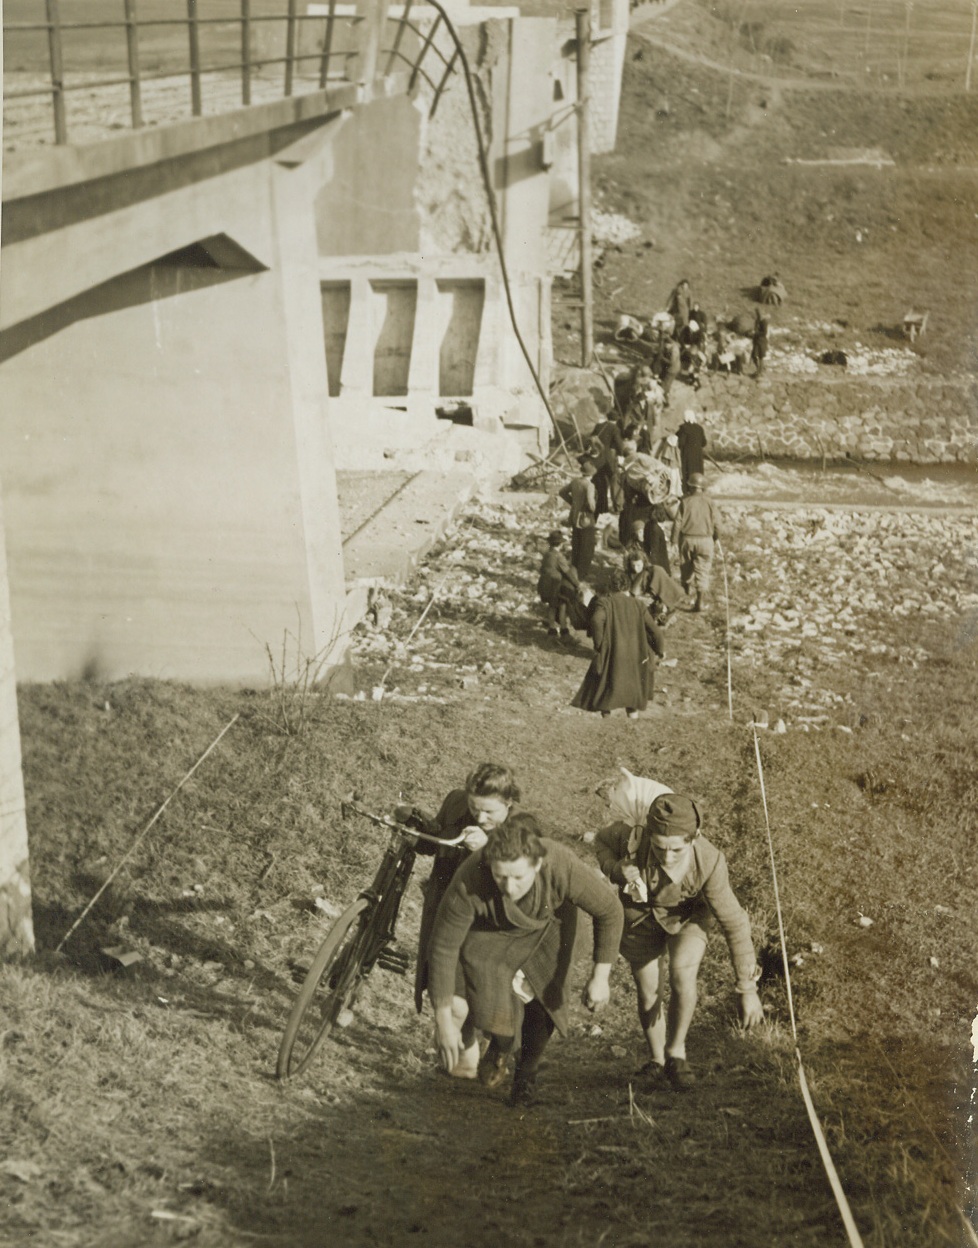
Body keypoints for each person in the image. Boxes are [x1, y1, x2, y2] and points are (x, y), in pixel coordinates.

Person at [428, 812, 624, 1107]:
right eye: (500, 876)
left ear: (537, 864)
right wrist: (444, 1022)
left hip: (552, 923)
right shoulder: (471, 876)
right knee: (488, 986)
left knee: (544, 996)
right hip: (497, 931)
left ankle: (526, 1076)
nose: (509, 886)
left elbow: (609, 910)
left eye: (518, 877)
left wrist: (600, 977)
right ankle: (502, 1042)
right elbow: (443, 947)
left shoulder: (559, 863)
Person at [594, 789, 763, 1090]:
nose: (667, 857)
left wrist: (747, 988)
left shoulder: (710, 861)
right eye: (660, 849)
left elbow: (735, 923)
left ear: (693, 837)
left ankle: (677, 1053)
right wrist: (615, 870)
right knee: (648, 991)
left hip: (688, 917)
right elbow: (601, 842)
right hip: (641, 916)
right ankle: (657, 1060)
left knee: (682, 975)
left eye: (676, 850)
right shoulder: (631, 838)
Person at [404, 763, 521, 1051]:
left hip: (485, 924)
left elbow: (519, 881)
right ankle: (452, 1055)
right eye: (474, 807)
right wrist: (417, 829)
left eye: (489, 812)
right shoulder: (456, 801)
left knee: (471, 994)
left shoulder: (521, 827)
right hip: (445, 911)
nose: (480, 817)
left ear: (508, 803)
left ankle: (475, 1047)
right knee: (444, 988)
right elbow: (435, 843)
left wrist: (489, 848)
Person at [571, 569, 664, 719]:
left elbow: (596, 620)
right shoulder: (638, 604)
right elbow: (655, 630)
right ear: (627, 586)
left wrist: (600, 644)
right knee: (633, 690)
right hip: (635, 655)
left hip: (614, 653)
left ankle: (607, 720)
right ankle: (632, 721)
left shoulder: (605, 602)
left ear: (610, 587)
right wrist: (660, 649)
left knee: (605, 688)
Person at [672, 472, 719, 612]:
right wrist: (715, 538)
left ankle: (686, 596)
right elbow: (717, 524)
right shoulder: (710, 502)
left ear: (690, 487)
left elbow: (677, 523)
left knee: (685, 568)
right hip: (705, 540)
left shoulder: (685, 502)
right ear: (703, 488)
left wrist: (673, 540)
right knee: (702, 571)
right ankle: (700, 601)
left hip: (687, 539)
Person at [558, 459, 598, 580]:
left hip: (575, 517)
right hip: (586, 520)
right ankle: (582, 574)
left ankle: (574, 571)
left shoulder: (575, 482)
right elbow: (591, 505)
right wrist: (592, 509)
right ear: (592, 474)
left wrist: (574, 504)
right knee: (587, 547)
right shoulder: (589, 485)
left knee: (576, 544)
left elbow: (562, 492)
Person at [537, 530, 579, 637]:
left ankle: (552, 628)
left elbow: (542, 569)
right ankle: (564, 629)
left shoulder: (547, 554)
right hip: (555, 585)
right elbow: (567, 572)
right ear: (560, 544)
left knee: (551, 606)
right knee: (562, 605)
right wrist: (576, 584)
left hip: (544, 585)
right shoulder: (559, 556)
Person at [588, 411, 625, 517]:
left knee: (599, 482)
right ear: (616, 420)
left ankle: (600, 506)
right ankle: (617, 507)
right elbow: (619, 445)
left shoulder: (599, 426)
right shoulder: (614, 428)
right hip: (608, 459)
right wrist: (622, 454)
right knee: (614, 481)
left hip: (596, 457)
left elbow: (591, 438)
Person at [676, 410, 707, 494]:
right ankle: (699, 489)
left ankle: (687, 491)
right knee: (697, 471)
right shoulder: (699, 428)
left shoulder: (684, 428)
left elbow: (681, 443)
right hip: (697, 456)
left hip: (687, 455)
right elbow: (704, 443)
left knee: (687, 471)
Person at [751, 309, 770, 379]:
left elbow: (764, 332)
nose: (758, 315)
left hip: (762, 341)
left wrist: (756, 333)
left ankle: (759, 372)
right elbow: (756, 330)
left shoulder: (764, 322)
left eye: (759, 313)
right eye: (757, 313)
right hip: (756, 341)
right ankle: (759, 370)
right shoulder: (757, 321)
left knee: (761, 357)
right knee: (753, 356)